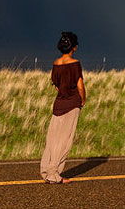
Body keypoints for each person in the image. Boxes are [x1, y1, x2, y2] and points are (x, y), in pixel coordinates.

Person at [40, 31, 85, 184]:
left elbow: (57, 86)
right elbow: (80, 86)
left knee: (52, 139)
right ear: (74, 47)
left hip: (58, 105)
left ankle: (46, 171)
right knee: (64, 141)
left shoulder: (56, 64)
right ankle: (54, 174)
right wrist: (83, 100)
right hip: (72, 105)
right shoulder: (75, 64)